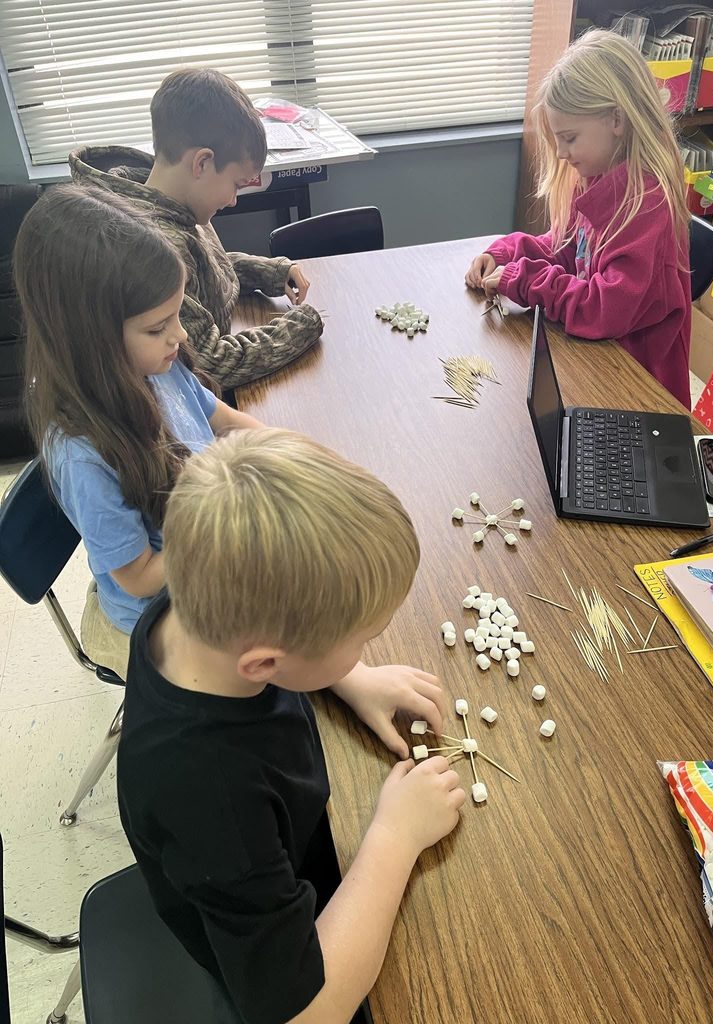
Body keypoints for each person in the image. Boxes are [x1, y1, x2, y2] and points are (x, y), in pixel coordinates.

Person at [117, 427, 464, 1024]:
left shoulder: (193, 612)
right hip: (277, 937)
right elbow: (305, 1013)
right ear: (265, 664)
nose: (365, 650)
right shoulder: (213, 798)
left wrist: (348, 677)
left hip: (280, 848)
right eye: (360, 641)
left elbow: (273, 642)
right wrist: (394, 837)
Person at [14, 184, 265, 679]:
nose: (182, 335)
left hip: (202, 546)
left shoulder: (158, 365)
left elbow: (224, 420)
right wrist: (223, 533)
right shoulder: (84, 456)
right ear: (92, 341)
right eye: (158, 326)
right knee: (283, 642)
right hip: (159, 608)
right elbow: (139, 577)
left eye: (177, 314)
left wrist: (283, 450)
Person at [466, 30, 692, 409]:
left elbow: (602, 309)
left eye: (570, 138)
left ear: (616, 120)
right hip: (598, 363)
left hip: (640, 395)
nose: (563, 154)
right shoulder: (597, 176)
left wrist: (526, 282)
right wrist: (506, 254)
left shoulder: (647, 205)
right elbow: (564, 249)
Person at [69, 67, 323, 390]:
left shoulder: (175, 203)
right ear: (201, 163)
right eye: (235, 184)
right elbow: (210, 362)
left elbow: (210, 270)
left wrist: (272, 272)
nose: (233, 200)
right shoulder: (155, 246)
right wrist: (300, 326)